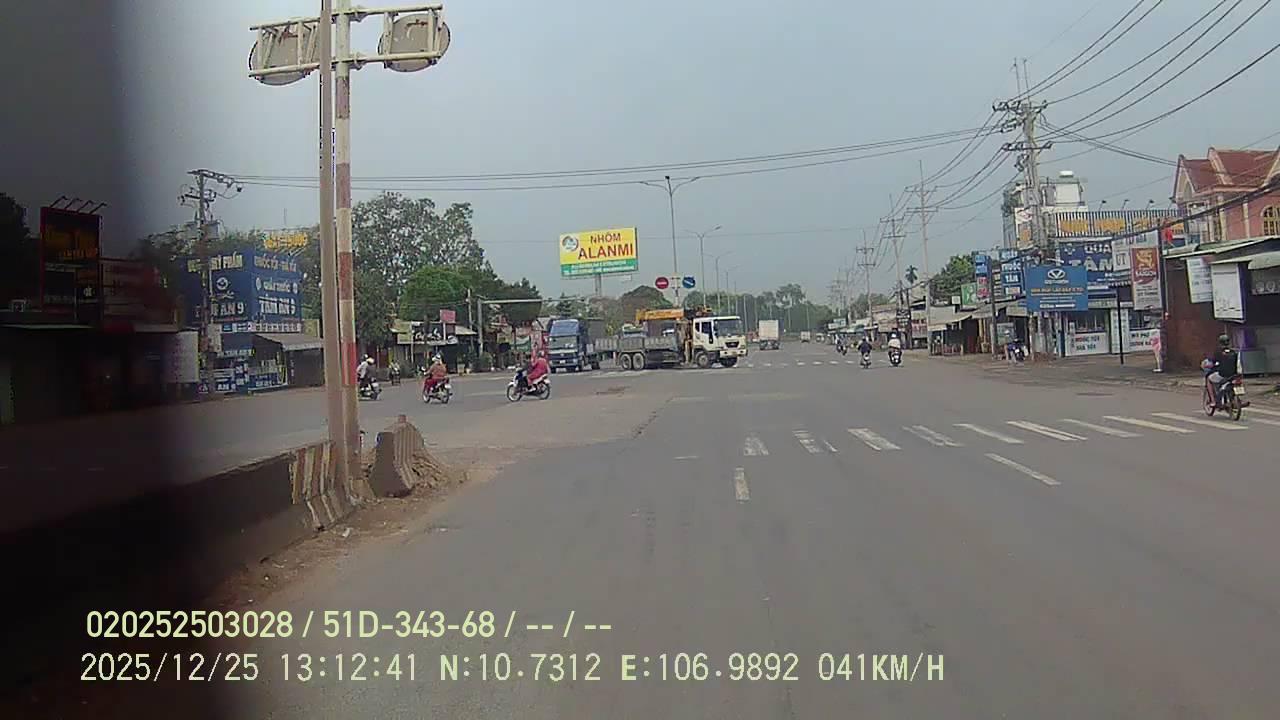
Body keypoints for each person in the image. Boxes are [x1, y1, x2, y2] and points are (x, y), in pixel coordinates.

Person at [1207, 333, 1238, 404]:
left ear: (1220, 342)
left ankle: (1213, 401)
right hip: (1233, 375)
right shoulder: (1233, 352)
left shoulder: (1218, 352)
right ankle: (1232, 400)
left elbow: (1213, 363)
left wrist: (1208, 365)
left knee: (1209, 379)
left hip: (1222, 375)